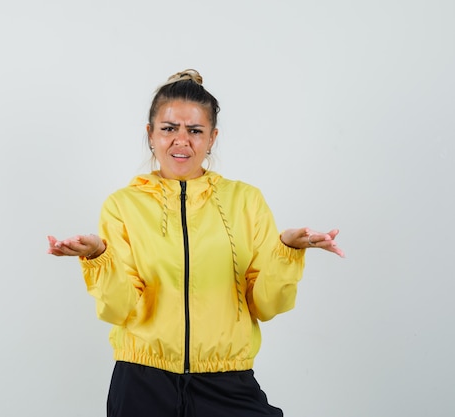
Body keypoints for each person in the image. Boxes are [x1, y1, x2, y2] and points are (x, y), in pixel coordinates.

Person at [47, 69, 344, 417]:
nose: (181, 140)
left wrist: (287, 252)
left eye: (195, 130)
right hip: (142, 382)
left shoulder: (246, 201)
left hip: (226, 383)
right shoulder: (122, 205)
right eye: (169, 128)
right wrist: (99, 257)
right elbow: (119, 309)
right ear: (150, 134)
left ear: (212, 137)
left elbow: (267, 306)